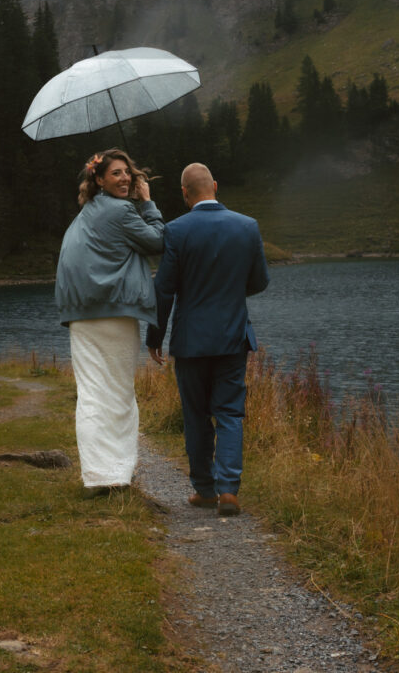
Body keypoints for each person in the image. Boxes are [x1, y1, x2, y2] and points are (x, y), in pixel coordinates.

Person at [146, 162, 269, 516]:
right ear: (215, 185)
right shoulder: (247, 226)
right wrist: (231, 290)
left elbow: (164, 290)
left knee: (196, 415)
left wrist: (155, 336)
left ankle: (205, 489)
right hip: (233, 338)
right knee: (230, 413)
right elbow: (259, 282)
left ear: (185, 193)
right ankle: (229, 491)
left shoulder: (176, 230)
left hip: (191, 341)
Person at [55, 148, 164, 498]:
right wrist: (147, 203)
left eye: (127, 172)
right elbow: (159, 241)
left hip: (80, 316)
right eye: (116, 173)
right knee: (118, 394)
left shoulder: (85, 214)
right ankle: (116, 474)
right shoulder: (122, 211)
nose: (125, 178)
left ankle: (96, 475)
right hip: (114, 314)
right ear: (98, 179)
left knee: (91, 394)